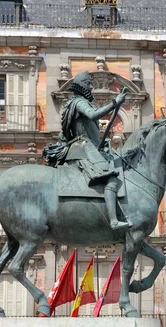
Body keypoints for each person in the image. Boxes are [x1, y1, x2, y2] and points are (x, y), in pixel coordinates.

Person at [59, 72, 131, 230]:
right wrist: (114, 102)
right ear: (82, 85)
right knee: (111, 178)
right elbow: (92, 115)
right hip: (83, 148)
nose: (91, 87)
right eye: (88, 83)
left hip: (86, 146)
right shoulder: (79, 102)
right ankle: (113, 220)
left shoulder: (76, 103)